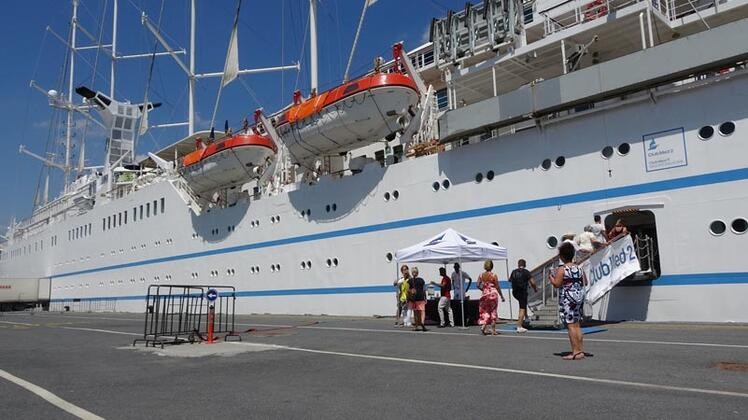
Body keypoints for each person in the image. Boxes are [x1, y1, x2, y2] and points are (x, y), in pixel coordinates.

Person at [551, 242, 588, 360]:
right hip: (578, 298)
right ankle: (580, 350)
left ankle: (575, 352)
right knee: (577, 325)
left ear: (562, 256)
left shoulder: (563, 269)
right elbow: (585, 282)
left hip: (568, 299)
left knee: (571, 326)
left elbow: (557, 284)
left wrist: (551, 278)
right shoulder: (579, 268)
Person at [509, 259, 537, 333]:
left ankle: (526, 317)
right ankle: (519, 326)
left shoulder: (513, 272)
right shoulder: (526, 272)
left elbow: (510, 280)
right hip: (522, 292)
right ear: (524, 265)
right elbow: (533, 282)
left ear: (518, 264)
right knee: (522, 308)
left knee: (523, 304)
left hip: (515, 292)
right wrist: (535, 289)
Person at [477, 260, 504, 335]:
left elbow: (477, 284)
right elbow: (497, 286)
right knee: (493, 311)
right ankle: (493, 330)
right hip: (493, 294)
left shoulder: (481, 275)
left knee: (485, 311)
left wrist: (483, 289)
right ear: (492, 266)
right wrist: (501, 296)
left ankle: (484, 325)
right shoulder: (494, 275)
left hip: (485, 294)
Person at [408, 267, 428, 332]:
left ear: (412, 273)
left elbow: (408, 290)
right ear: (417, 273)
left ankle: (416, 326)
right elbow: (424, 289)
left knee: (415, 312)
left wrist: (411, 292)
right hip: (421, 297)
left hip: (414, 298)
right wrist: (425, 297)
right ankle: (422, 322)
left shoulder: (410, 280)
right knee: (422, 311)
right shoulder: (421, 280)